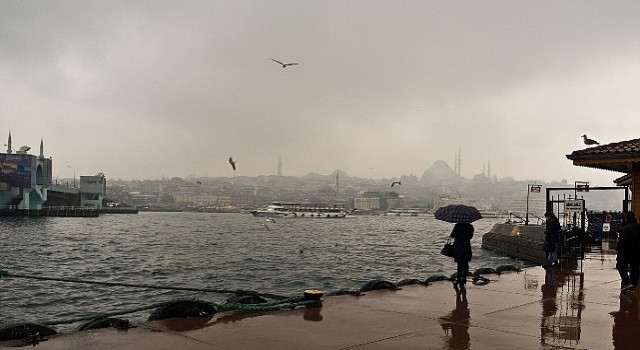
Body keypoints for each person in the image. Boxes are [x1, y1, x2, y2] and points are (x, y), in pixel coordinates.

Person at [616, 211, 640, 292]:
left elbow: (622, 241)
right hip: (637, 251)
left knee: (620, 266)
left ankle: (627, 282)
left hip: (625, 252)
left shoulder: (625, 228)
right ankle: (633, 284)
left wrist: (618, 248)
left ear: (626, 218)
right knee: (635, 267)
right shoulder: (638, 227)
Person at [450, 222, 474, 289]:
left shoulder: (457, 225)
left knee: (459, 264)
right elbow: (470, 236)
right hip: (466, 246)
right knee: (466, 263)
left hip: (458, 246)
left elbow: (452, 235)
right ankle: (463, 279)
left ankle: (458, 279)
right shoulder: (470, 226)